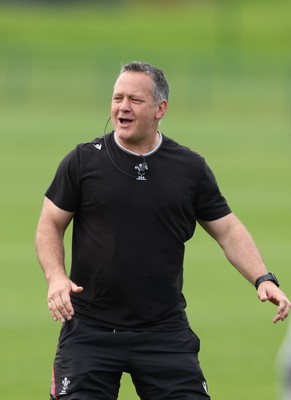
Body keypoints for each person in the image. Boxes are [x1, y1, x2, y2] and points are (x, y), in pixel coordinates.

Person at [35, 61, 290, 400]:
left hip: (163, 332)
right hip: (90, 330)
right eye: (117, 98)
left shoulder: (189, 167)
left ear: (160, 109)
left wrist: (263, 278)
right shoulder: (83, 161)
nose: (122, 107)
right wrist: (55, 276)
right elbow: (50, 223)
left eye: (134, 100)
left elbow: (227, 229)